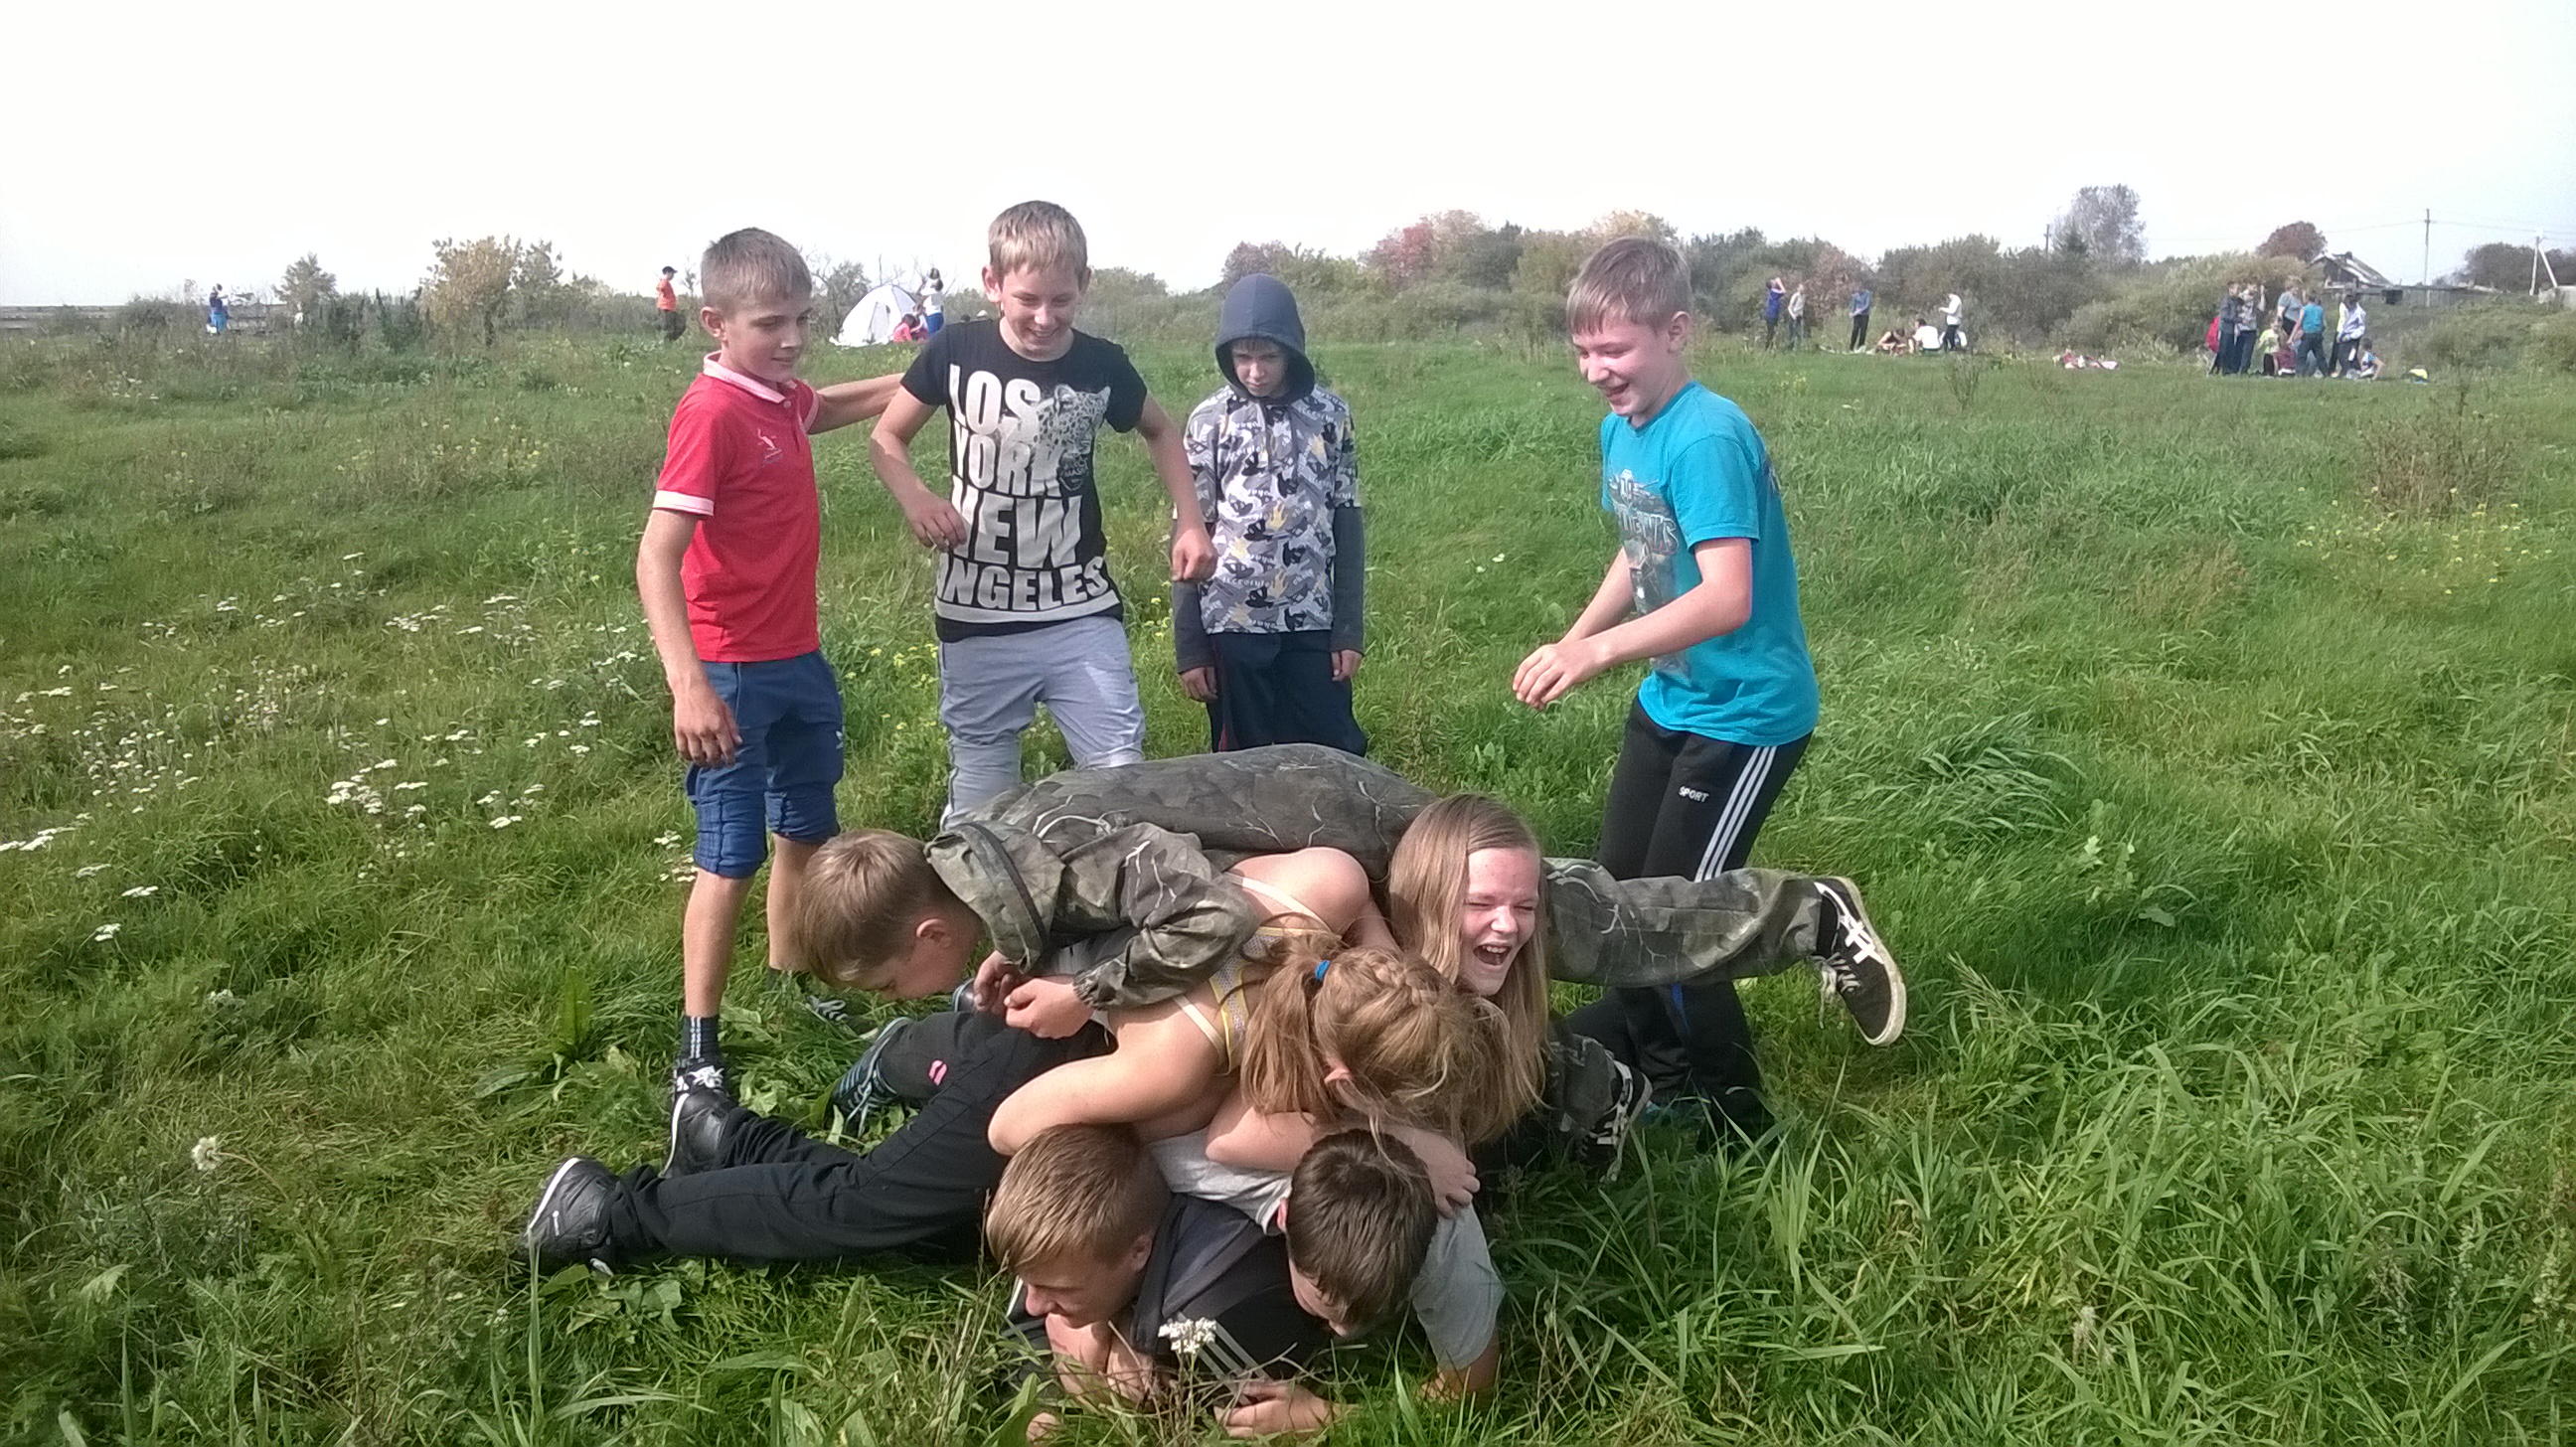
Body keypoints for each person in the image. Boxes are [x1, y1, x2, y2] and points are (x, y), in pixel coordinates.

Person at [1509, 239, 1833, 1139]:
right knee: (1619, 898)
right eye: (1582, 351)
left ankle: (1737, 1117)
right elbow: (1642, 548)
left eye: (1614, 350)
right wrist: (1574, 639)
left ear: (1676, 332)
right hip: (1672, 700)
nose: (1594, 371)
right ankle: (1657, 1071)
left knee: (1682, 919)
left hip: (1745, 715)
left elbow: (1727, 597)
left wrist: (1602, 653)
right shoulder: (1623, 430)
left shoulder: (1708, 436)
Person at [634, 228, 909, 1099]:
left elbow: (824, 405)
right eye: (769, 325)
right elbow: (655, 556)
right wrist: (689, 685)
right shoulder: (712, 413)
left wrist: (927, 375)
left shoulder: (779, 398)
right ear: (715, 323)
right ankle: (699, 1045)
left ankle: (792, 984)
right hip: (731, 675)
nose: (791, 340)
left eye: (801, 320)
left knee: (806, 830)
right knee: (730, 855)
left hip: (799, 662)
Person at [866, 201, 1218, 824]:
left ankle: (1110, 883)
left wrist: (1190, 519)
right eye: (1028, 300)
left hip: (1079, 609)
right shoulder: (955, 350)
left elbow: (1161, 430)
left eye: (1062, 300)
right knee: (983, 794)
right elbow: (887, 437)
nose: (1045, 317)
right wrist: (916, 497)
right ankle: (983, 884)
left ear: (1084, 285)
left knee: (1119, 776)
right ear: (992, 283)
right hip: (977, 611)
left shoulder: (1101, 364)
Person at [989, 1124, 1426, 1437]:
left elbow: (1216, 1422)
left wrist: (1110, 1384)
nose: (1034, 1305)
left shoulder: (1212, 1315)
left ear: (1138, 1251)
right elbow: (1024, 1320)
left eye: (1058, 1292)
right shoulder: (1090, 1224)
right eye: (1030, 1282)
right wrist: (1045, 1406)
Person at [1174, 273, 1368, 756]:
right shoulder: (1209, 420)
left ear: (1292, 352)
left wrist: (1348, 629)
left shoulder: (1330, 416)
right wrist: (1191, 645)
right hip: (1232, 619)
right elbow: (1190, 531)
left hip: (1312, 617)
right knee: (1243, 759)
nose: (1255, 371)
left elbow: (1347, 519)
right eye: (1243, 357)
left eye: (1269, 357)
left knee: (1333, 750)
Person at [2334, 293, 2368, 377]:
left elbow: (2362, 329)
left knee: (2351, 356)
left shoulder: (2360, 313)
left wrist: (2350, 336)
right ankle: (2349, 371)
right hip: (2345, 336)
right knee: (2341, 355)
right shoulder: (2346, 309)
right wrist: (2340, 334)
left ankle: (2353, 372)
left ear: (2352, 303)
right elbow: (2344, 323)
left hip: (2354, 338)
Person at [2214, 285, 2244, 376]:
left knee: (2230, 350)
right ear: (2230, 289)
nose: (2238, 291)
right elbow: (2225, 316)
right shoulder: (2226, 301)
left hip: (2232, 329)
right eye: (2237, 289)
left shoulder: (2236, 301)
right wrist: (2238, 320)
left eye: (2239, 289)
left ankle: (2227, 369)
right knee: (2224, 350)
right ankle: (2222, 369)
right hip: (2225, 329)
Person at [2297, 293, 2329, 377]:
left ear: (2307, 299)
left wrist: (2298, 331)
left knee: (2301, 355)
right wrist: (2320, 331)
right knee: (2320, 356)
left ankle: (2300, 373)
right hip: (2317, 335)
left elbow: (2300, 321)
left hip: (2307, 334)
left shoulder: (2304, 309)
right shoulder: (2320, 309)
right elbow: (2324, 324)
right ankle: (2326, 372)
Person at [656, 265, 683, 343]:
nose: (673, 275)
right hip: (665, 308)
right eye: (672, 273)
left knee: (672, 327)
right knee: (669, 328)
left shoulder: (666, 282)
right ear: (667, 273)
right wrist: (665, 279)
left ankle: (667, 342)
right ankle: (665, 343)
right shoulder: (664, 281)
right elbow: (660, 288)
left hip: (669, 308)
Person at [1849, 284, 1873, 353]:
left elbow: (1867, 305)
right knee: (1855, 330)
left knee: (1863, 331)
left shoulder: (1867, 294)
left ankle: (1860, 347)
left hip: (1864, 315)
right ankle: (1851, 347)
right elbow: (1853, 306)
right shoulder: (1855, 295)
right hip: (1857, 316)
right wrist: (1851, 313)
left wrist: (1859, 311)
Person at [1783, 281, 1807, 351]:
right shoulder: (1795, 296)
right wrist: (1793, 315)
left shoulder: (1803, 296)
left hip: (1800, 316)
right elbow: (1789, 307)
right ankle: (1791, 347)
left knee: (1800, 332)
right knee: (1793, 332)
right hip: (1794, 316)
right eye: (1801, 288)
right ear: (1797, 288)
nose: (1802, 289)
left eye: (1803, 288)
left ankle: (1798, 347)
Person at [921, 266, 945, 335]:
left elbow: (921, 292)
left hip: (933, 315)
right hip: (938, 314)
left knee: (932, 335)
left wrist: (923, 284)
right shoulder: (938, 291)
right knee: (940, 335)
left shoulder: (933, 291)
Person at [1762, 276, 1784, 348]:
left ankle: (1769, 346)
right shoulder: (1773, 291)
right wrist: (1780, 283)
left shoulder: (1773, 292)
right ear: (1772, 285)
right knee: (1771, 331)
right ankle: (1768, 347)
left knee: (1771, 331)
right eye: (1773, 281)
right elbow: (1783, 291)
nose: (1775, 282)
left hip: (1773, 314)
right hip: (1772, 314)